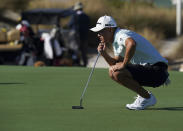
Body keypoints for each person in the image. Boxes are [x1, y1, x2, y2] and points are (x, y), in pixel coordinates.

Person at [90, 15, 170, 110]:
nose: (98, 34)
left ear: (110, 29)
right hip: (155, 71)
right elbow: (115, 64)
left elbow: (131, 44)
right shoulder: (116, 40)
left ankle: (146, 97)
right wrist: (104, 54)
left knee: (115, 72)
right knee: (114, 71)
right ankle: (145, 96)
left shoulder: (120, 35)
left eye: (101, 31)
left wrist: (124, 64)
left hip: (157, 70)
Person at [68, 2, 90, 66]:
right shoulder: (86, 16)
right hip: (84, 36)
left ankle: (77, 63)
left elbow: (69, 25)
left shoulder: (74, 16)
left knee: (76, 50)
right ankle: (85, 64)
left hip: (76, 36)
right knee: (84, 51)